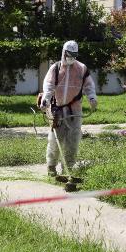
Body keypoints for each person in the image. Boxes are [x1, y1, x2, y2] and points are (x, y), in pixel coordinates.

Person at [40, 40, 97, 192]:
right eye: (69, 55)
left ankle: (69, 169)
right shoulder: (56, 68)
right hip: (57, 109)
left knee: (73, 140)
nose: (71, 58)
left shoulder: (81, 68)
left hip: (75, 110)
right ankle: (51, 167)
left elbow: (89, 85)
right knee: (55, 139)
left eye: (74, 55)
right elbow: (49, 86)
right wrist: (45, 99)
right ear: (64, 53)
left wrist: (92, 98)